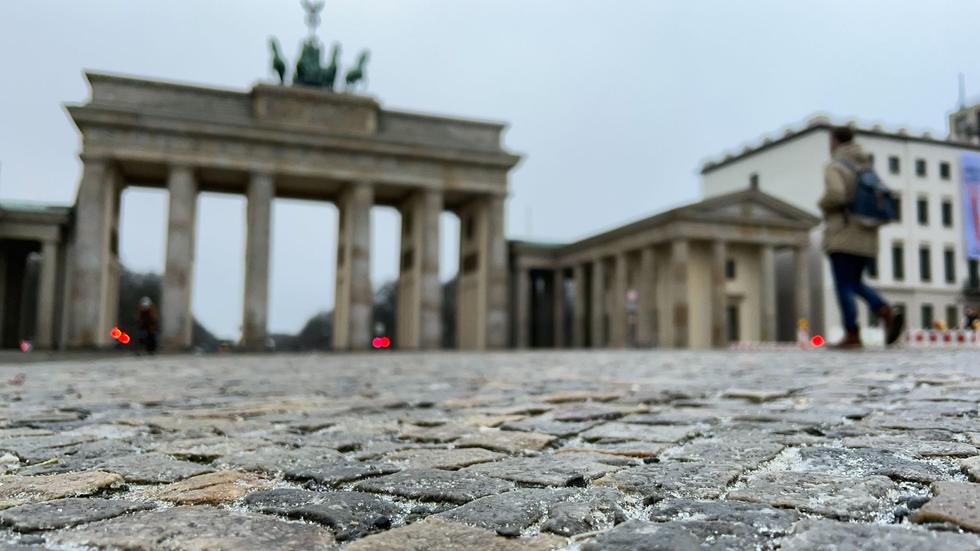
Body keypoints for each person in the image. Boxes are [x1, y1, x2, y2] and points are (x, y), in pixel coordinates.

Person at [818, 126, 904, 348]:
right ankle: (884, 311)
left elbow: (837, 195)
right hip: (867, 235)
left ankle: (852, 333)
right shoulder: (865, 166)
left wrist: (822, 204)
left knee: (843, 285)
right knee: (854, 282)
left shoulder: (835, 166)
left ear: (834, 141)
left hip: (844, 233)